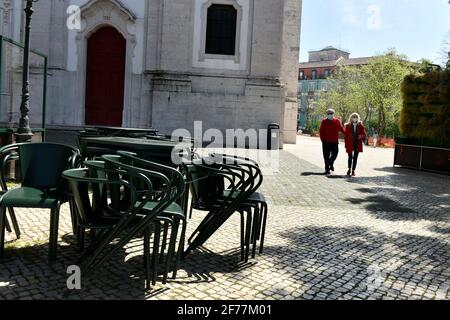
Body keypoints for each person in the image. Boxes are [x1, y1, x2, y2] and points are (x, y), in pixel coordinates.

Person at [319, 109, 345, 175]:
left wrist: (347, 134)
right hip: (326, 142)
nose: (330, 115)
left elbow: (341, 129)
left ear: (333, 114)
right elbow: (321, 131)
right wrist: (323, 140)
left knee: (335, 154)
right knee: (326, 156)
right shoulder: (324, 121)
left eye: (331, 113)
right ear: (327, 114)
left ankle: (331, 163)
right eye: (328, 114)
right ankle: (327, 169)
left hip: (334, 142)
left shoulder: (337, 121)